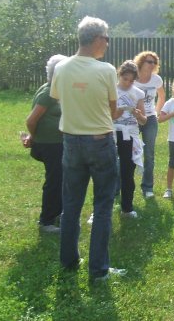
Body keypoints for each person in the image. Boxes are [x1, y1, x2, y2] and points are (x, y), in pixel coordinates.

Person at [50, 16, 125, 282]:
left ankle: (68, 261)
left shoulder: (61, 67)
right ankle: (99, 270)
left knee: (70, 204)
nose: (107, 43)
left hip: (70, 142)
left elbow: (58, 98)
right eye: (106, 38)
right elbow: (113, 109)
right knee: (103, 206)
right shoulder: (105, 70)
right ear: (96, 39)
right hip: (99, 142)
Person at [23, 54, 68, 234]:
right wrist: (34, 137)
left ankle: (58, 214)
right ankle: (46, 221)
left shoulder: (56, 90)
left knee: (61, 179)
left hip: (57, 143)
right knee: (54, 181)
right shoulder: (49, 92)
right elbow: (31, 120)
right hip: (50, 144)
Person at [113, 60, 147, 219]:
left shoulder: (138, 93)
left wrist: (139, 115)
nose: (127, 83)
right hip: (112, 132)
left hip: (129, 134)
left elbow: (144, 120)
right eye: (125, 79)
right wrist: (117, 113)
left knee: (127, 171)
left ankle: (127, 208)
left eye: (131, 80)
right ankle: (99, 209)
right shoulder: (111, 90)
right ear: (119, 75)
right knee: (106, 171)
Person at [134, 51, 166, 198]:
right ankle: (123, 186)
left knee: (149, 154)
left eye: (154, 62)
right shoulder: (133, 76)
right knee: (128, 152)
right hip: (133, 119)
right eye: (149, 61)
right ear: (141, 62)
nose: (152, 64)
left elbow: (162, 95)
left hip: (150, 119)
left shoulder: (156, 79)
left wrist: (156, 112)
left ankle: (147, 188)